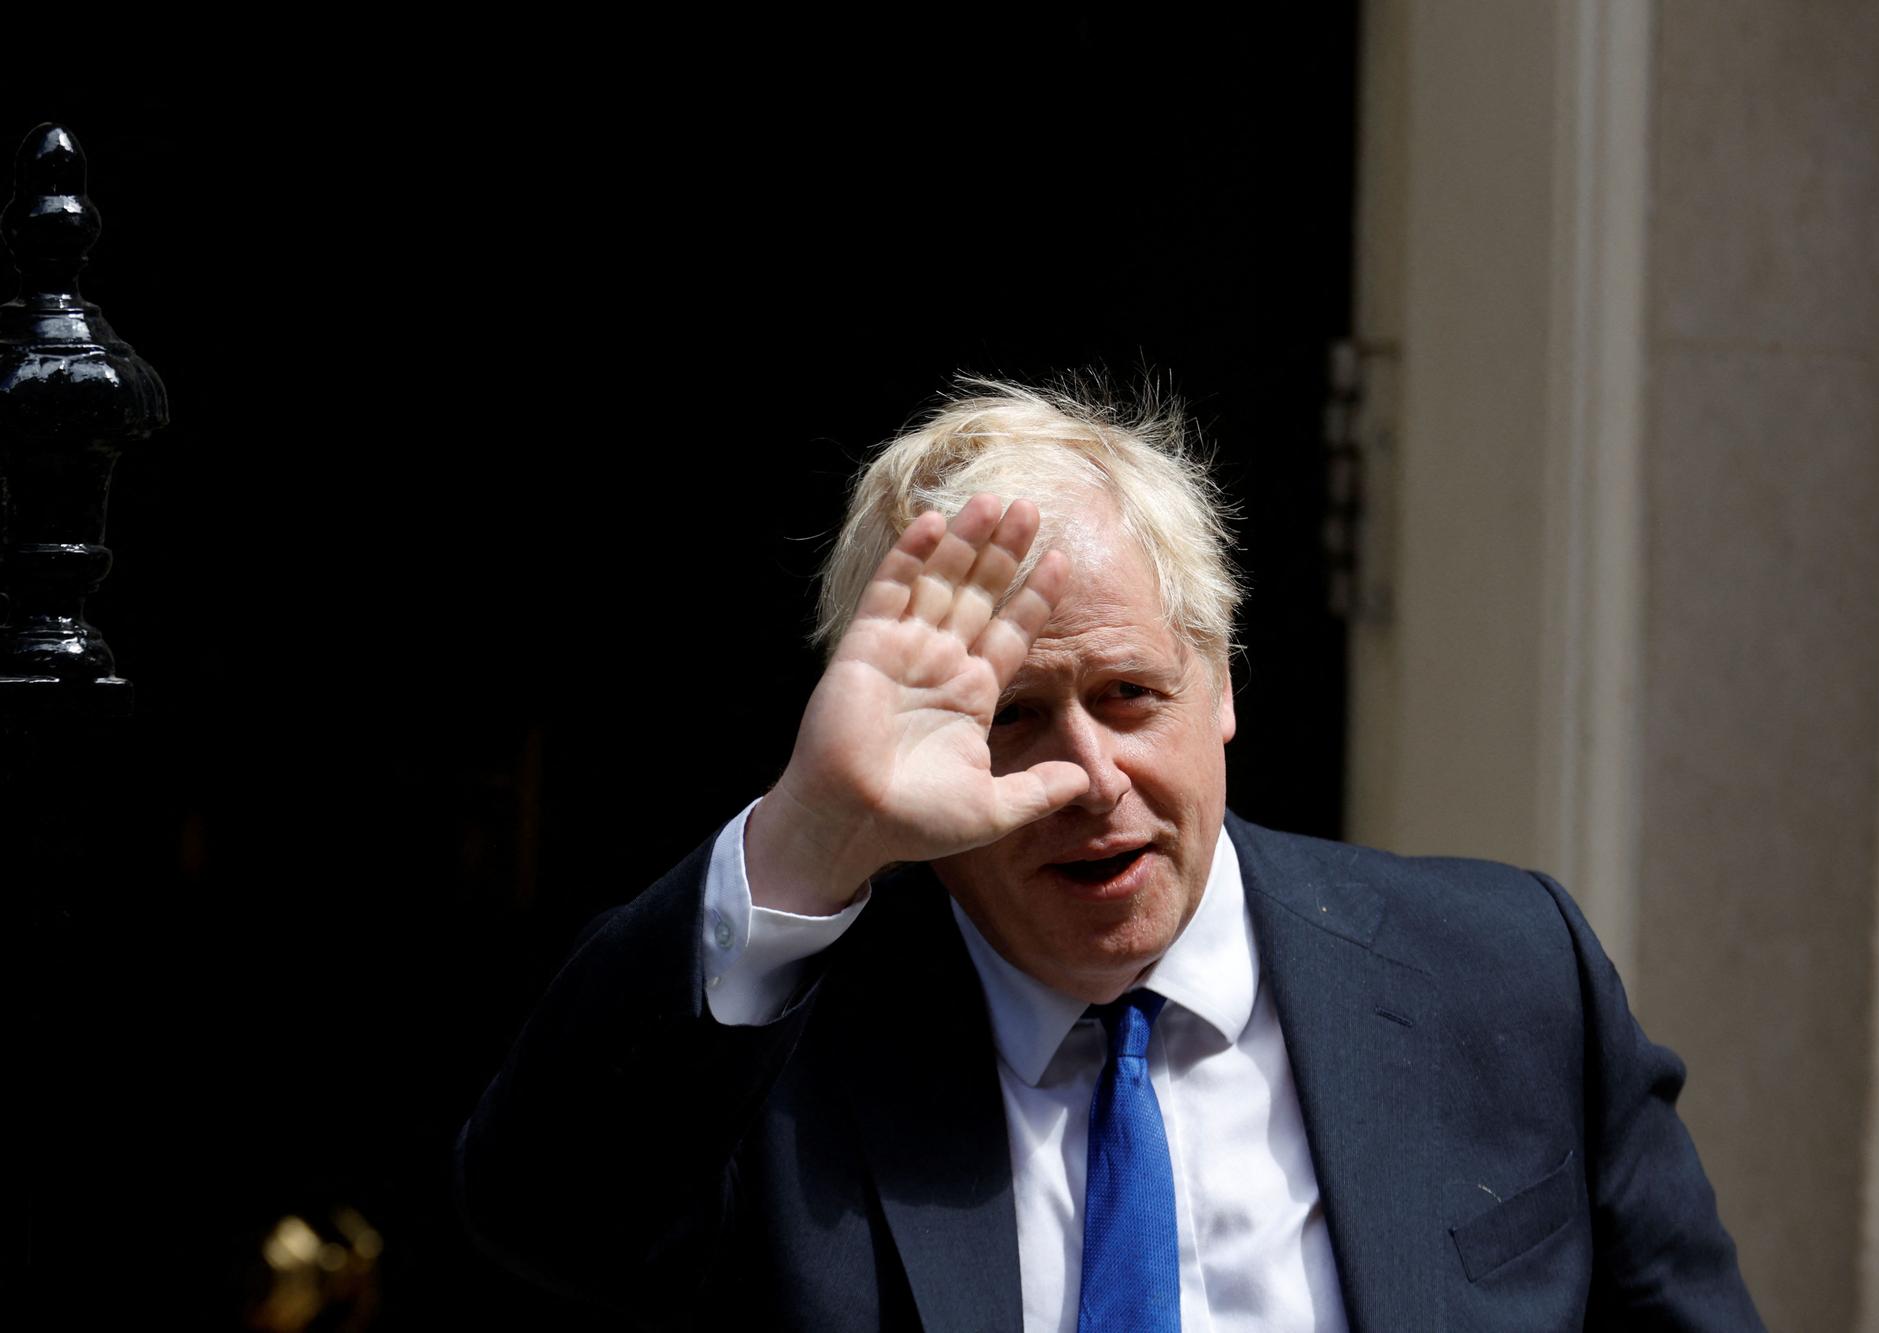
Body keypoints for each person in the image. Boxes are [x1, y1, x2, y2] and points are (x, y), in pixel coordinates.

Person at [456, 378, 1764, 1330]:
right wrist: (810, 828)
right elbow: (541, 1217)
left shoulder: (1504, 976)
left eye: (1133, 695)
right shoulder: (784, 1060)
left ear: (1225, 684)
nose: (1091, 776)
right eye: (1009, 718)